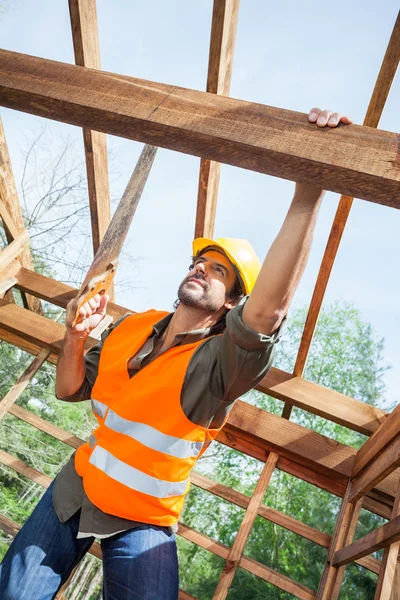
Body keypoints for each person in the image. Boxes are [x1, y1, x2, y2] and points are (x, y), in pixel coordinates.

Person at [0, 108, 352, 599]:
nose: (201, 270)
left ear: (232, 302)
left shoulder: (220, 366)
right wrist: (75, 336)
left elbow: (268, 312)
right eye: (198, 263)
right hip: (74, 490)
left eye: (218, 271)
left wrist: (309, 189)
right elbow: (68, 389)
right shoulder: (134, 325)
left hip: (142, 521)